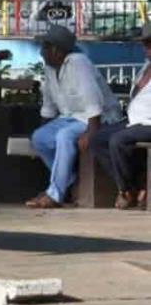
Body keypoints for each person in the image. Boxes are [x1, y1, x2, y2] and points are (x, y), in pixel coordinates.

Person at [28, 25, 122, 209]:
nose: (41, 52)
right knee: (39, 138)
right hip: (69, 117)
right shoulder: (50, 68)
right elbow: (48, 106)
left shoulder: (78, 62)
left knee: (64, 136)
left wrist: (91, 132)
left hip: (97, 118)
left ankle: (55, 194)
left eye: (45, 47)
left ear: (57, 49)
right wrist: (43, 131)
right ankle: (70, 183)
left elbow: (92, 99)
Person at [90, 23, 151, 209]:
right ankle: (134, 187)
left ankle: (124, 190)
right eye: (145, 44)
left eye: (150, 44)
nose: (146, 49)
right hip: (134, 120)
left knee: (119, 140)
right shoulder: (146, 67)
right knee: (98, 139)